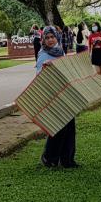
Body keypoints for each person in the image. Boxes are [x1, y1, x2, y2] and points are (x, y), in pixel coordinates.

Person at [35, 26, 78, 169]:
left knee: (70, 127)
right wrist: (49, 67)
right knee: (59, 127)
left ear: (56, 37)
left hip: (66, 93)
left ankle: (67, 159)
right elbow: (40, 77)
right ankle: (49, 157)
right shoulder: (43, 55)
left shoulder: (60, 51)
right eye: (47, 38)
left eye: (52, 37)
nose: (50, 40)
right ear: (43, 40)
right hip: (53, 95)